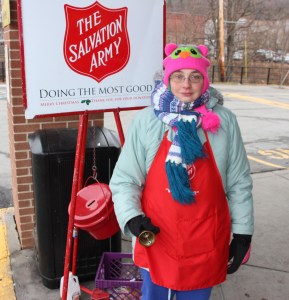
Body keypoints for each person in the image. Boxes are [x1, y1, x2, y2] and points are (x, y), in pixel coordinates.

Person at [109, 43, 254, 300]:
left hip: (206, 238)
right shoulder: (146, 121)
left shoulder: (225, 121)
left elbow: (239, 182)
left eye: (195, 76)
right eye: (178, 76)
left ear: (205, 81)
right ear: (167, 79)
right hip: (157, 238)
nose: (186, 84)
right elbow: (125, 180)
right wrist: (132, 217)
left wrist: (243, 231)